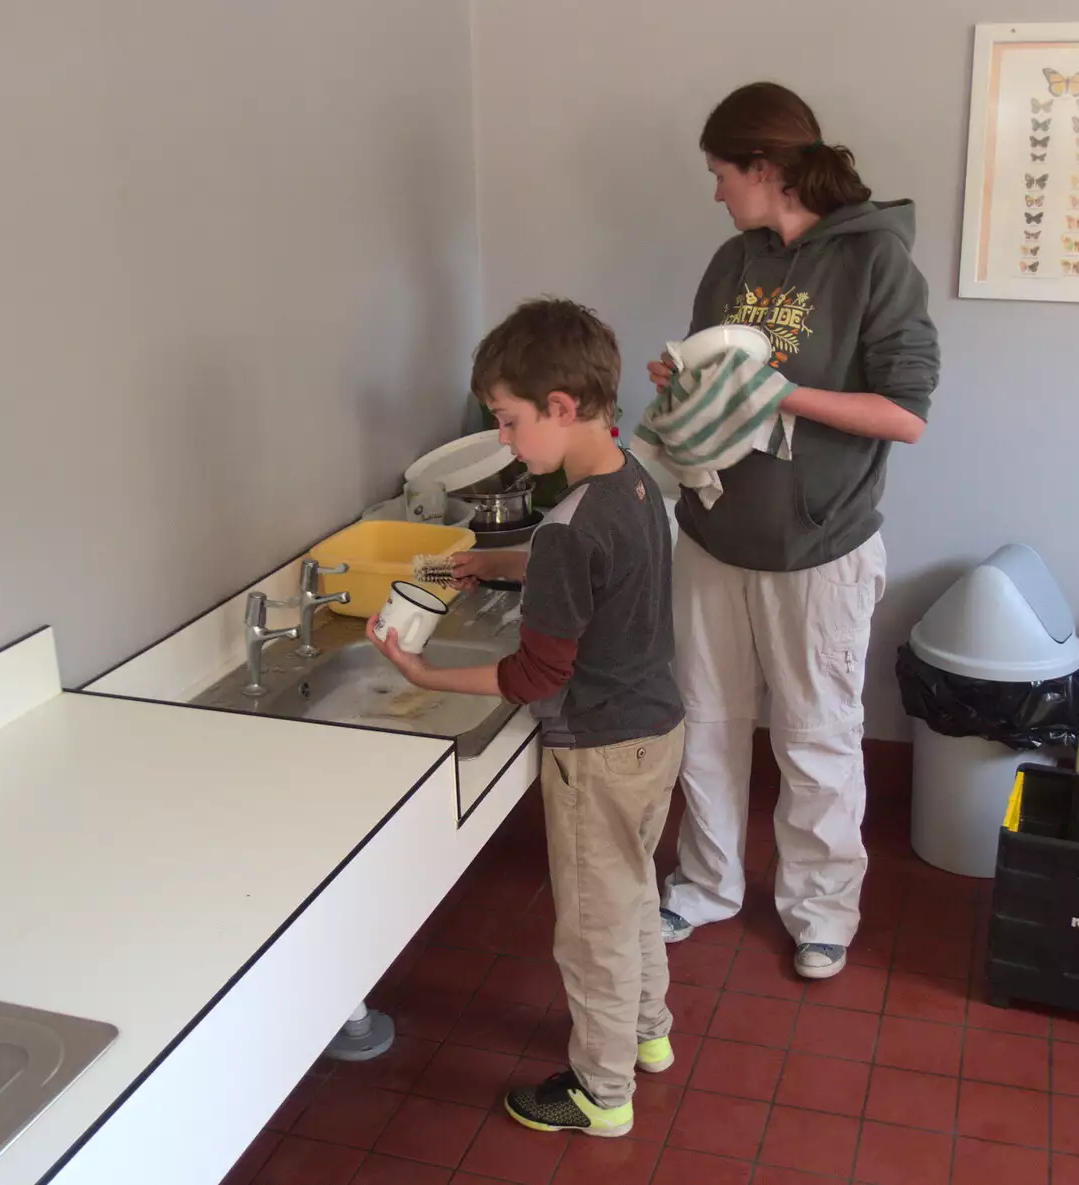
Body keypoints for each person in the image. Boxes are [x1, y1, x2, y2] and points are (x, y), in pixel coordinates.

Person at [367, 297, 684, 1138]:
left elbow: (535, 673)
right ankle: (648, 1035)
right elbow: (572, 554)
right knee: (633, 890)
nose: (504, 442)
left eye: (508, 423)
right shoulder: (631, 479)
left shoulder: (571, 527)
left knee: (592, 927)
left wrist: (422, 667)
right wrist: (489, 560)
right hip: (657, 730)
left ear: (561, 408)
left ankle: (601, 1091)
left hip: (601, 751)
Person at [650, 82, 940, 980]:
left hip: (821, 547)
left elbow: (906, 413)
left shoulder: (875, 262)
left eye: (721, 172)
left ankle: (820, 912)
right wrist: (679, 380)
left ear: (765, 168)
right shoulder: (735, 258)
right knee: (705, 724)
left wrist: (784, 394)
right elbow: (712, 383)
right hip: (712, 534)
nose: (715, 192)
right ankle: (705, 883)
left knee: (815, 736)